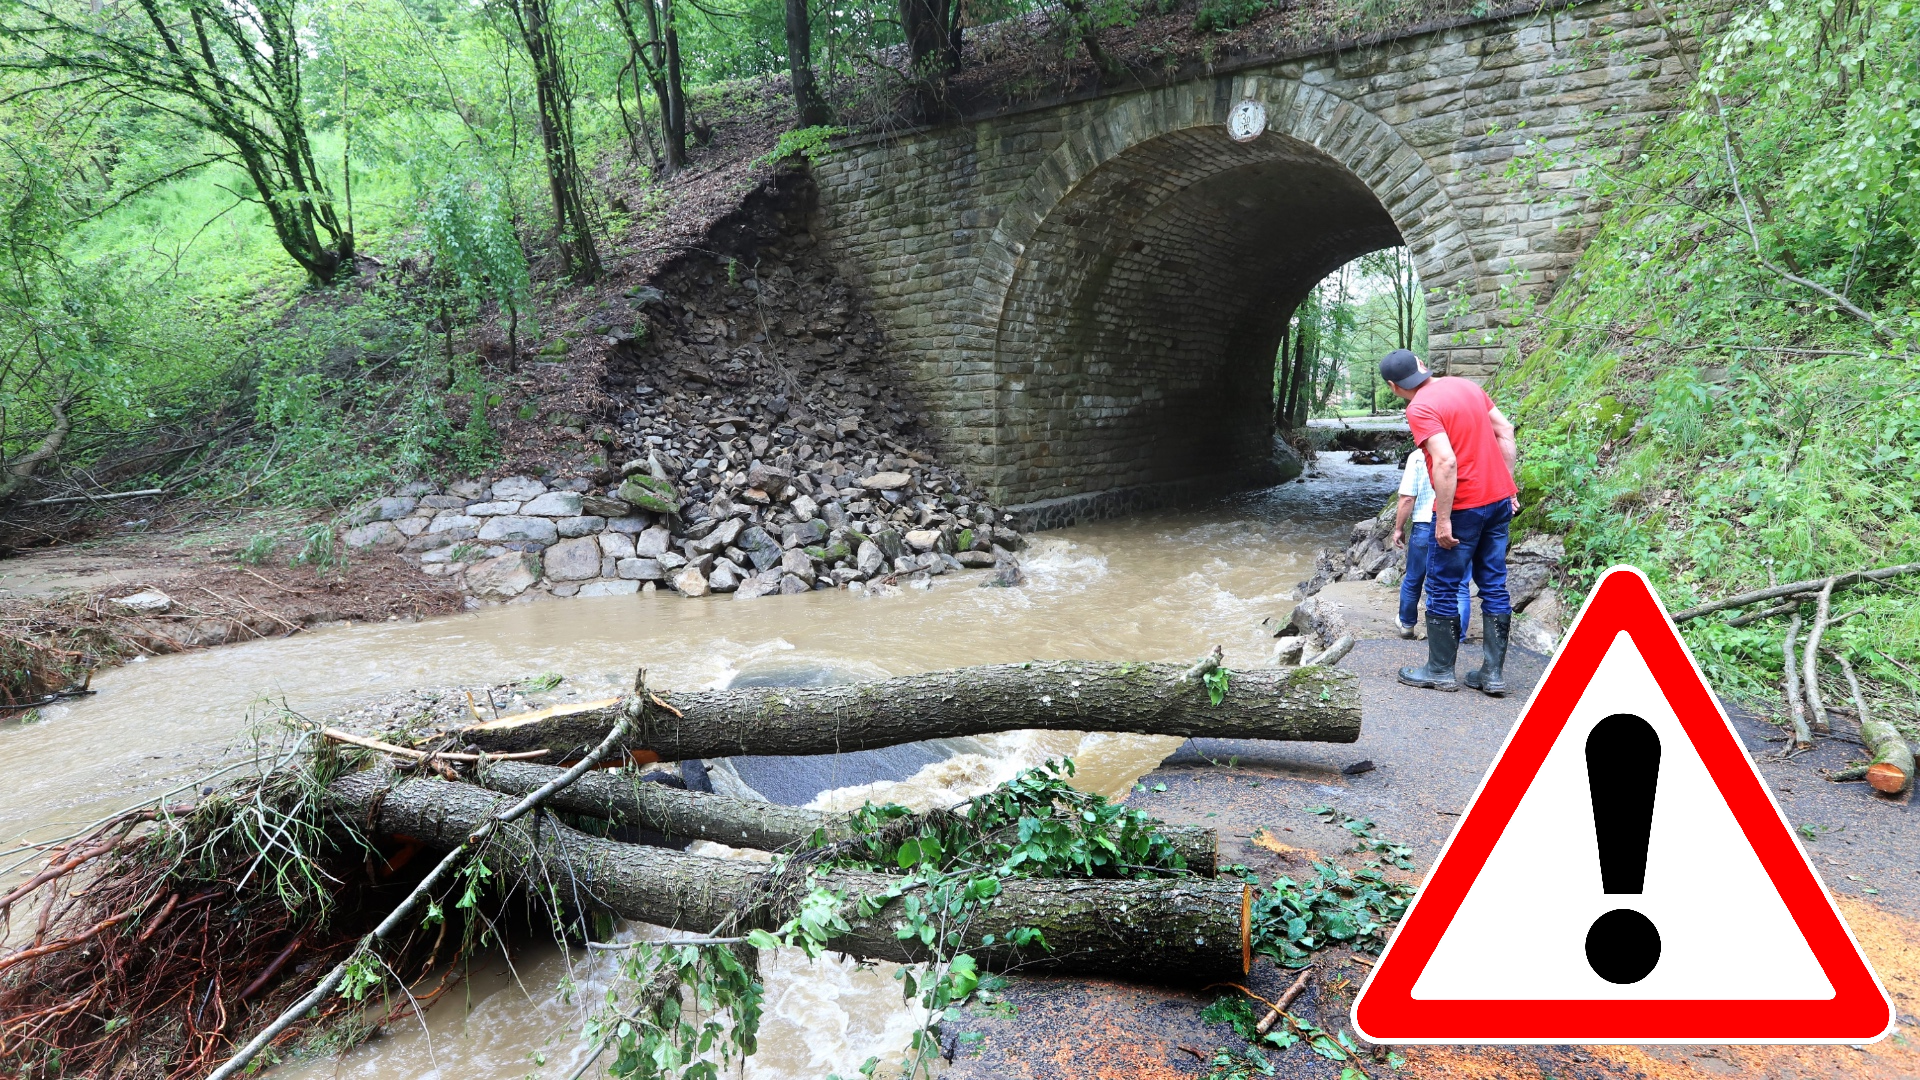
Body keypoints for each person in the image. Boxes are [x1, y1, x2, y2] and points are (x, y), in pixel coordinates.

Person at [1378, 349, 1519, 695]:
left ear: (1394, 387)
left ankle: (1439, 671)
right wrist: (1508, 486)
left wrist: (1442, 521)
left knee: (1441, 586)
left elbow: (1445, 463)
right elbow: (1506, 431)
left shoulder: (1420, 407)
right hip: (1499, 501)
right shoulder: (1467, 386)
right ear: (1423, 367)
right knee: (1494, 585)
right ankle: (1492, 675)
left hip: (1465, 508)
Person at [1392, 448, 1470, 642]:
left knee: (1414, 577)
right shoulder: (1464, 450)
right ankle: (1456, 634)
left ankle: (1407, 624)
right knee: (1459, 583)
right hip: (1459, 523)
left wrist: (1399, 528)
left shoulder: (1418, 456)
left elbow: (1408, 498)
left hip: (1425, 524)